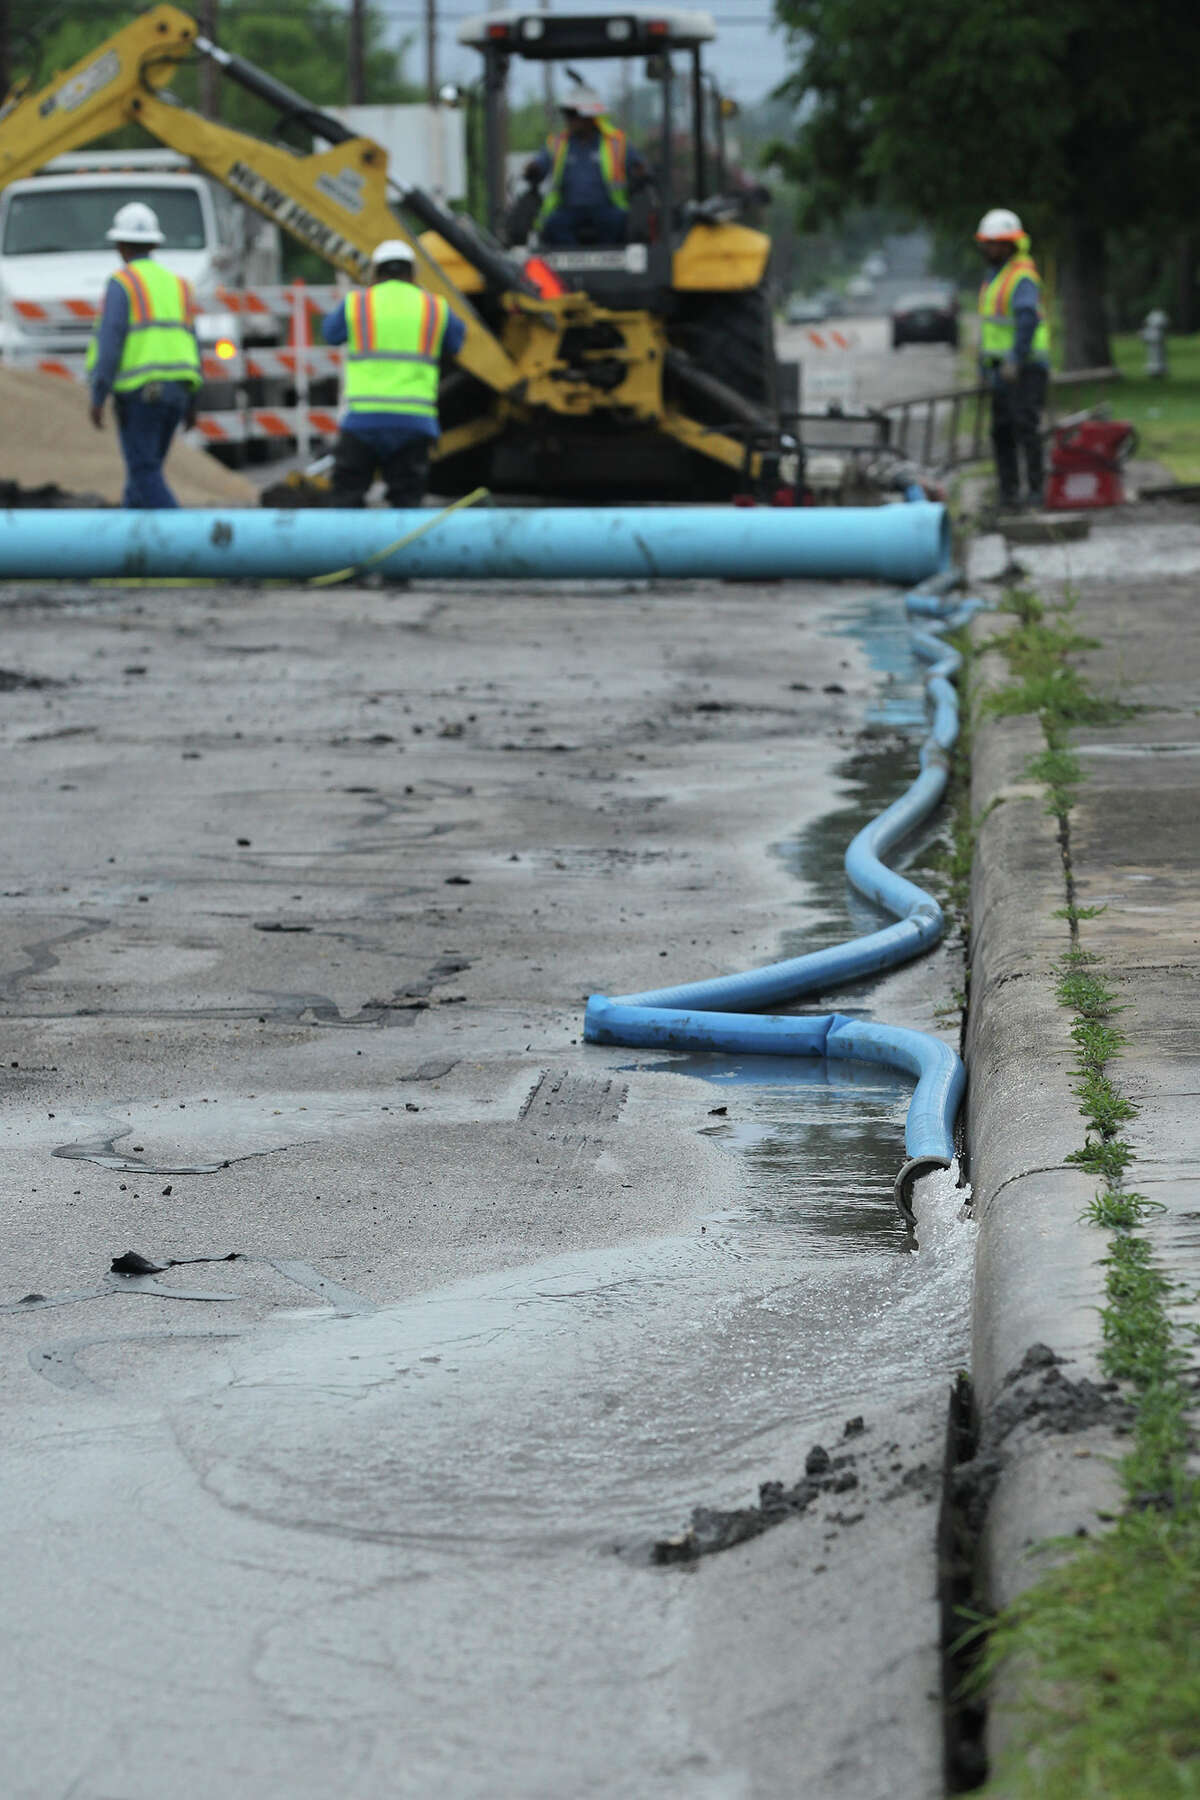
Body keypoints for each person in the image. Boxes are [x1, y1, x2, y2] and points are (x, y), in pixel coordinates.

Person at [321, 239, 466, 507]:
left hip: (363, 421)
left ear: (375, 272)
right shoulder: (434, 307)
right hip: (414, 421)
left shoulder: (358, 304)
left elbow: (330, 333)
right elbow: (457, 343)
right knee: (407, 504)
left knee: (345, 500)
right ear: (413, 272)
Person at [87, 202, 202, 509]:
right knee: (143, 477)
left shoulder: (122, 283)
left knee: (143, 471)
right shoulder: (179, 285)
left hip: (142, 394)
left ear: (120, 245)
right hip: (178, 391)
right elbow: (193, 343)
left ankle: (184, 536)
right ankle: (130, 536)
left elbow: (110, 341)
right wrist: (193, 402)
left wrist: (98, 395)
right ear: (154, 244)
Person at [975, 207, 1051, 511]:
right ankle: (1008, 496)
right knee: (1002, 432)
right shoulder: (996, 277)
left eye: (991, 244)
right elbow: (991, 328)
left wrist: (1016, 359)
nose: (987, 249)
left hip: (1025, 368)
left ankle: (1035, 493)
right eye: (986, 243)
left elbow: (1027, 320)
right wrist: (985, 366)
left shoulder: (1021, 277)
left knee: (1026, 428)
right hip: (1002, 370)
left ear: (1007, 245)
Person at [525, 91, 646, 248]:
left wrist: (640, 171)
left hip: (607, 207)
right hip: (568, 209)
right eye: (567, 115)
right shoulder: (558, 143)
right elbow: (540, 163)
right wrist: (533, 168)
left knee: (619, 221)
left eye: (572, 115)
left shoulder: (615, 142)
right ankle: (569, 256)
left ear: (589, 117)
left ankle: (606, 255)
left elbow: (638, 166)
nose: (568, 120)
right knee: (553, 223)